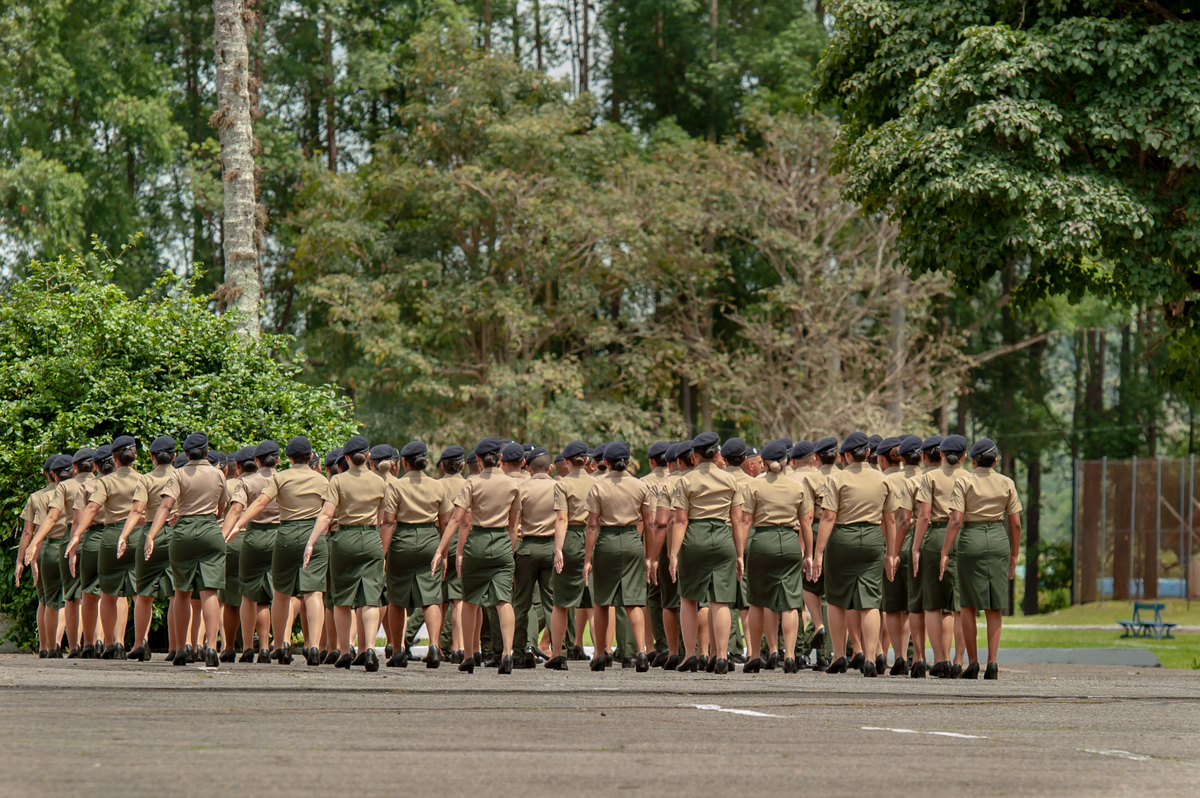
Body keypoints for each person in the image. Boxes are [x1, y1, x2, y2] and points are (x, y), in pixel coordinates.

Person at [811, 432, 900, 677]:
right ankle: (871, 658)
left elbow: (828, 516)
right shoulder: (883, 480)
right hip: (872, 538)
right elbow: (890, 520)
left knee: (837, 598)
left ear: (847, 455)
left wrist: (818, 552)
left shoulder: (837, 479)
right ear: (869, 453)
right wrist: (891, 553)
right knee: (870, 600)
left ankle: (839, 654)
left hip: (842, 538)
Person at [235, 436, 328, 666]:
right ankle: (314, 646)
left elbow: (260, 503)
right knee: (314, 592)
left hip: (285, 533)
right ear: (310, 457)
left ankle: (280, 644)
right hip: (313, 534)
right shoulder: (322, 480)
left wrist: (239, 523)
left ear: (287, 458)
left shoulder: (281, 477)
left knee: (281, 592)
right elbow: (330, 512)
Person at [433, 437, 520, 674]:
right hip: (502, 541)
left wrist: (442, 550)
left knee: (470, 600)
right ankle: (507, 653)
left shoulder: (471, 483)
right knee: (504, 601)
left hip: (477, 542)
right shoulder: (513, 485)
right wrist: (509, 552)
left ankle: (470, 654)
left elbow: (458, 520)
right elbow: (514, 526)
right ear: (500, 458)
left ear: (479, 461)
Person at [302, 434, 386, 672]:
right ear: (368, 457)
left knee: (342, 599)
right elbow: (384, 518)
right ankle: (369, 648)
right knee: (370, 597)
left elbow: (327, 515)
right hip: (371, 538)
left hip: (344, 539)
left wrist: (311, 542)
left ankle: (346, 651)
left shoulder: (337, 481)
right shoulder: (381, 482)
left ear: (347, 458)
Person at [143, 432, 228, 668]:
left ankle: (181, 647)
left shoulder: (178, 474)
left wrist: (151, 535)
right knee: (209, 590)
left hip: (183, 532)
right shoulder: (218, 474)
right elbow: (222, 508)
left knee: (181, 591)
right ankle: (211, 646)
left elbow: (166, 506)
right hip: (211, 529)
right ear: (208, 452)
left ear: (186, 454)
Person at [940, 438, 1021, 680]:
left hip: (971, 540)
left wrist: (945, 552)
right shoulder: (1007, 483)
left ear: (973, 460)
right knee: (994, 605)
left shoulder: (963, 481)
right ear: (995, 461)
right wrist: (1014, 554)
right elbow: (1015, 523)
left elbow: (955, 520)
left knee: (967, 604)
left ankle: (973, 662)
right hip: (997, 540)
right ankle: (993, 663)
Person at [668, 431, 745, 675]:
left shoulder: (685, 481)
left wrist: (673, 554)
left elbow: (680, 521)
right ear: (717, 454)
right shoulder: (730, 480)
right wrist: (740, 554)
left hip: (695, 537)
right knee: (720, 599)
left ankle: (690, 654)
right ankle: (721, 656)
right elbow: (737, 520)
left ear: (694, 455)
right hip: (723, 538)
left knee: (689, 598)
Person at [741, 440, 812, 674]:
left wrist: (739, 552)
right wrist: (809, 554)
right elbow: (806, 524)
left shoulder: (754, 485)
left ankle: (761, 653)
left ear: (763, 462)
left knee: (759, 601)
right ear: (785, 462)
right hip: (790, 542)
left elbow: (745, 521)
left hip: (762, 541)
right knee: (790, 602)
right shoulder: (797, 487)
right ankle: (789, 655)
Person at [582, 442, 654, 672]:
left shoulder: (597, 487)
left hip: (607, 542)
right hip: (633, 541)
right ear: (629, 462)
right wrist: (650, 555)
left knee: (602, 601)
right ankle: (641, 652)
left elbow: (592, 526)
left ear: (606, 463)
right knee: (633, 601)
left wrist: (587, 559)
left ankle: (601, 653)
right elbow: (649, 523)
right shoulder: (640, 486)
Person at [70, 437, 142, 659]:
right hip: (135, 534)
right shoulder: (143, 479)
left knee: (96, 593)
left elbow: (82, 516)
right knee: (131, 593)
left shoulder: (91, 485)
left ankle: (92, 642)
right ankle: (130, 641)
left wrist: (76, 538)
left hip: (100, 537)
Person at [380, 440, 449, 669]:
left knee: (397, 598)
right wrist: (443, 553)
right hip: (430, 540)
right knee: (431, 597)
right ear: (426, 462)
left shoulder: (396, 486)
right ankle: (435, 647)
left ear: (403, 463)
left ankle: (398, 650)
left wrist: (383, 554)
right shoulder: (438, 486)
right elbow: (445, 522)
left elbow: (389, 522)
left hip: (402, 541)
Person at [118, 436, 178, 662]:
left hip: (150, 534)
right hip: (176, 534)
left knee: (144, 592)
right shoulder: (180, 475)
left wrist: (124, 535)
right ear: (174, 456)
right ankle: (178, 644)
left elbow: (136, 511)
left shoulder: (145, 479)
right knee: (177, 593)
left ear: (151, 457)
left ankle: (139, 642)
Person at [221, 441, 281, 663]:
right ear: (278, 459)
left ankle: (244, 646)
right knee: (266, 598)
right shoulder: (283, 479)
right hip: (278, 537)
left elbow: (236, 510)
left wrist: (224, 536)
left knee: (247, 593)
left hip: (252, 536)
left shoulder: (245, 482)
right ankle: (265, 646)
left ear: (257, 461)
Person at [912, 434, 965, 678]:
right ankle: (958, 659)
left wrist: (915, 547)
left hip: (935, 536)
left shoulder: (929, 477)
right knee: (957, 605)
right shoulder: (969, 477)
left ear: (941, 454)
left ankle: (939, 659)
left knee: (933, 604)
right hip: (963, 536)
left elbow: (923, 516)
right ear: (964, 457)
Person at [545, 441, 596, 669]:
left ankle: (557, 654)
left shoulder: (562, 485)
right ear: (586, 461)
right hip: (595, 539)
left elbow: (562, 519)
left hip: (572, 538)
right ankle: (601, 653)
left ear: (566, 462)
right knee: (596, 602)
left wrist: (558, 549)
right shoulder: (597, 483)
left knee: (561, 602)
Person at [511, 447, 558, 669]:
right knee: (551, 603)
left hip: (527, 547)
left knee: (521, 602)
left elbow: (514, 524)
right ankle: (558, 652)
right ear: (549, 468)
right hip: (551, 547)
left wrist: (511, 552)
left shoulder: (522, 487)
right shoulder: (559, 486)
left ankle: (521, 651)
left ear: (527, 468)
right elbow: (563, 520)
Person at [17, 456, 66, 657]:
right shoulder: (76, 491)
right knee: (68, 600)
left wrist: (23, 560)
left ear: (47, 473)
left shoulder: (37, 497)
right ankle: (61, 643)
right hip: (72, 545)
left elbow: (29, 532)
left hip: (45, 549)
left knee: (45, 600)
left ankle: (45, 646)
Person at [877, 436, 916, 676]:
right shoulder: (923, 477)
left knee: (891, 604)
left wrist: (890, 549)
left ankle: (898, 655)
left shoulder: (884, 480)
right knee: (913, 605)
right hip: (919, 540)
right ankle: (917, 656)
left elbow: (887, 518)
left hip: (889, 540)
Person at [795, 438, 836, 669]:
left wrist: (807, 552)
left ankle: (819, 625)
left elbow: (808, 516)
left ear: (817, 458)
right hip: (842, 532)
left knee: (810, 584)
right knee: (836, 597)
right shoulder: (844, 476)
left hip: (820, 529)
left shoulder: (810, 478)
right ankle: (832, 654)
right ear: (839, 456)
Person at [639, 441, 671, 665]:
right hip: (685, 540)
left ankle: (658, 645)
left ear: (651, 461)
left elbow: (649, 522)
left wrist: (648, 556)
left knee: (654, 596)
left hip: (654, 542)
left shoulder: (644, 483)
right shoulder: (682, 479)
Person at [437, 445, 468, 663]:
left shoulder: (435, 485)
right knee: (459, 598)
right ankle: (459, 646)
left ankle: (436, 645)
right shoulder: (470, 484)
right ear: (463, 465)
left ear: (441, 466)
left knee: (437, 599)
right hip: (463, 541)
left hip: (437, 540)